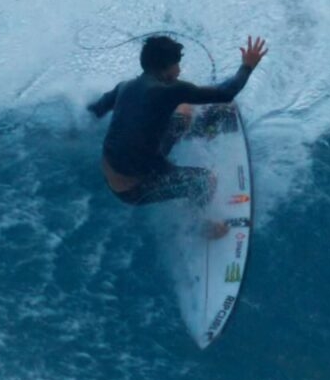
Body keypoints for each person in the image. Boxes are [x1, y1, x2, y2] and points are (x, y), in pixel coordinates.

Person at [88, 34, 267, 236]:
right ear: (166, 68)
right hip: (133, 188)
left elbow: (96, 109)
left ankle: (204, 130)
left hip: (118, 166)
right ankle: (202, 224)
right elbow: (225, 94)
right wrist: (247, 66)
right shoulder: (170, 91)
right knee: (205, 181)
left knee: (183, 112)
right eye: (176, 65)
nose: (179, 70)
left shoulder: (125, 86)